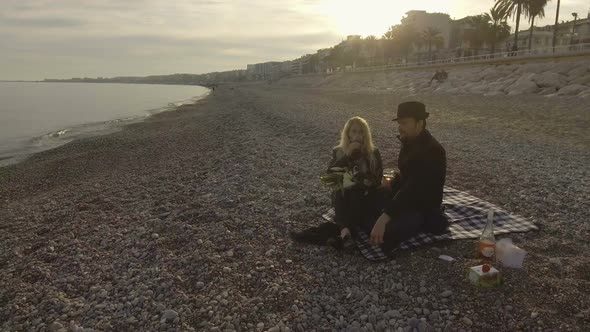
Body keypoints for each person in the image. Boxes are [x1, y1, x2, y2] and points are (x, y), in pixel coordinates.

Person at [369, 101, 448, 251]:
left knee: (388, 231)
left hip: (422, 207)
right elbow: (407, 175)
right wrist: (392, 181)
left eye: (404, 123)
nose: (400, 127)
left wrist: (384, 217)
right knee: (365, 197)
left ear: (419, 123)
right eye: (399, 123)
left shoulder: (433, 151)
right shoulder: (409, 141)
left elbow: (414, 188)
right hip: (405, 198)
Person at [327, 116, 383, 241]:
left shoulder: (373, 153)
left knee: (353, 190)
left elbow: (377, 180)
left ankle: (344, 229)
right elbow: (330, 178)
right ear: (348, 133)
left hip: (365, 195)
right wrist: (347, 156)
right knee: (341, 188)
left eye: (361, 132)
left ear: (366, 134)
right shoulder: (338, 151)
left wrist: (358, 180)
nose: (357, 135)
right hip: (344, 196)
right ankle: (346, 230)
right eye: (354, 131)